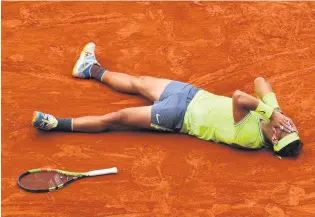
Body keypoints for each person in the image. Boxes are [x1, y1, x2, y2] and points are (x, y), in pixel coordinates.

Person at [32, 42, 303, 158]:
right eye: (291, 128)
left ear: (275, 140)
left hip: (178, 117)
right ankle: (89, 68)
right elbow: (260, 81)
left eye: (285, 132)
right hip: (190, 93)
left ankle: (57, 124)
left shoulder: (250, 138)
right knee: (139, 82)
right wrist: (275, 110)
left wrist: (270, 112)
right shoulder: (272, 117)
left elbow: (240, 97)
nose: (288, 126)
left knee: (117, 118)